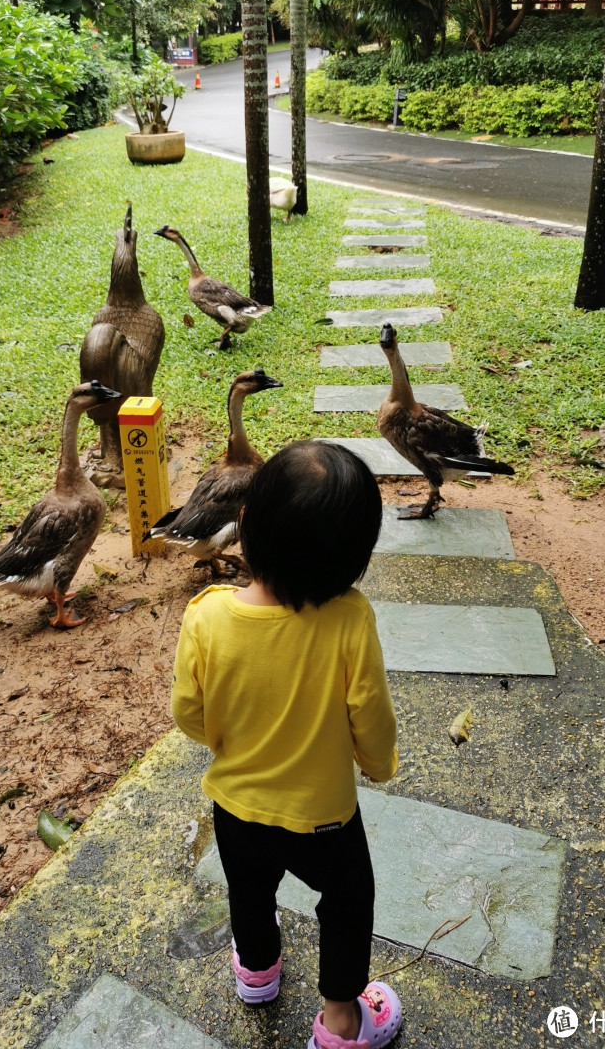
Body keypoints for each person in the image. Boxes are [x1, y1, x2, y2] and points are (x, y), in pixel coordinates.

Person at [171, 440, 403, 1049]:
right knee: (348, 901)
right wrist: (378, 766)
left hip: (237, 807)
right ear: (355, 558)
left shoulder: (207, 616)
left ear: (244, 524)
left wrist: (226, 739)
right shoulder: (351, 620)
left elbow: (189, 713)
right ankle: (342, 1022)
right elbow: (370, 716)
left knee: (249, 890)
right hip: (324, 816)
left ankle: (256, 973)